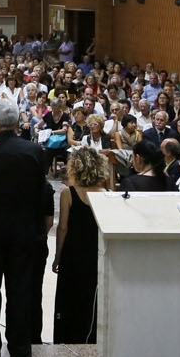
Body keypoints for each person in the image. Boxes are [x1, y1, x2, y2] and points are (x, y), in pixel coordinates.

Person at [0, 98, 53, 357]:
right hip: (24, 230)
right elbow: (41, 192)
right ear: (18, 122)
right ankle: (19, 346)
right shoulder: (34, 151)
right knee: (20, 290)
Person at [53, 147, 109, 345]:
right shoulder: (106, 193)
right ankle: (90, 336)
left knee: (69, 297)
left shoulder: (69, 193)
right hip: (95, 252)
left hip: (73, 252)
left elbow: (63, 228)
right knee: (90, 296)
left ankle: (67, 338)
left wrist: (57, 256)